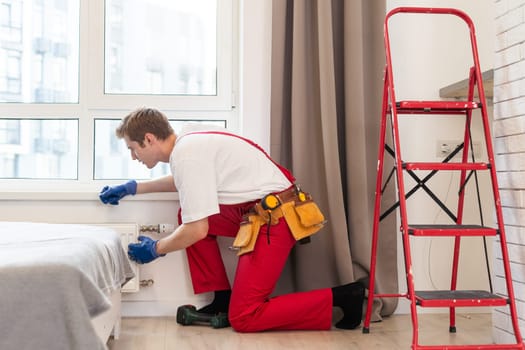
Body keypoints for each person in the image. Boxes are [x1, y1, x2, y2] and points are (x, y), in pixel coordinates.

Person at [99, 107, 365, 332]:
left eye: (133, 149)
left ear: (148, 138)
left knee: (245, 317)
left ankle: (343, 297)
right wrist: (134, 187)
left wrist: (156, 249)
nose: (133, 157)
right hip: (259, 211)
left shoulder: (187, 155)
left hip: (277, 217)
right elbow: (185, 183)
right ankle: (222, 299)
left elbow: (197, 229)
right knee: (187, 214)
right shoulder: (190, 139)